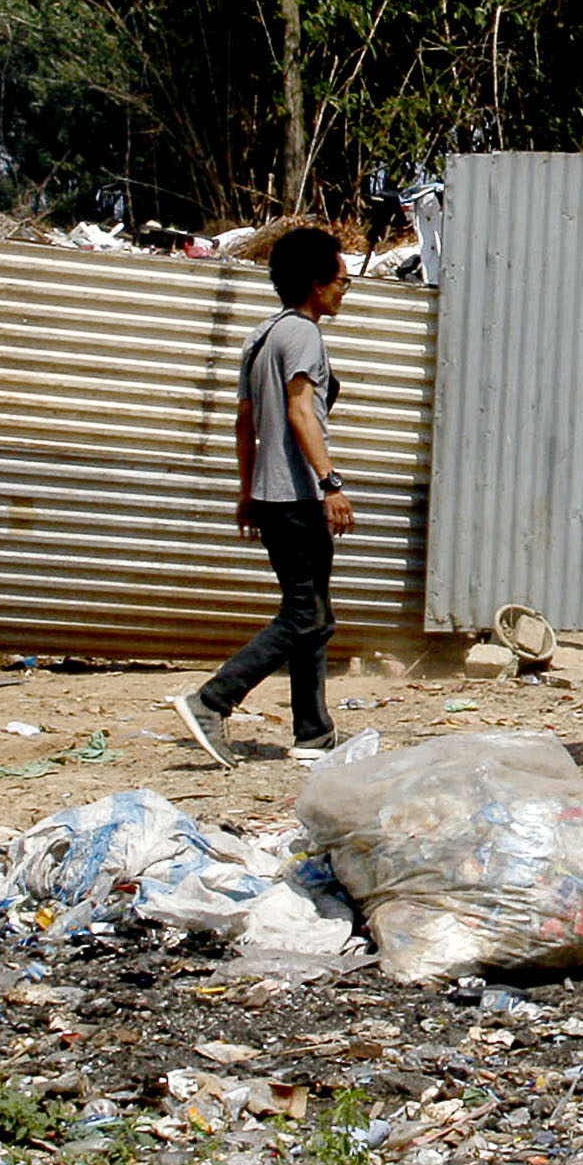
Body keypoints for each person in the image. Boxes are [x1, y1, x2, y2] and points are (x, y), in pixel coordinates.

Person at [171, 225, 356, 765]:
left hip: (272, 494)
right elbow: (300, 412)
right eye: (340, 282)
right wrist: (331, 483)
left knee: (314, 614)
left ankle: (313, 734)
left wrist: (247, 488)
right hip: (298, 496)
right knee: (304, 614)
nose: (344, 290)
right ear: (315, 285)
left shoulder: (260, 335)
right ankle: (212, 700)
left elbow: (244, 421)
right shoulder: (302, 334)